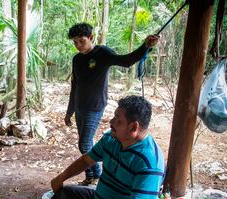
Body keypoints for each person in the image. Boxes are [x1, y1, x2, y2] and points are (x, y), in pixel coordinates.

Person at [65, 23, 159, 185]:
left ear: (91, 38)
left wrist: (145, 47)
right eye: (75, 42)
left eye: (81, 41)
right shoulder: (77, 59)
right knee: (84, 141)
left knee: (84, 143)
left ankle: (96, 175)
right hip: (80, 105)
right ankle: (91, 176)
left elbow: (126, 61)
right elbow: (75, 85)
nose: (78, 45)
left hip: (94, 106)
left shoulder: (102, 53)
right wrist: (69, 111)